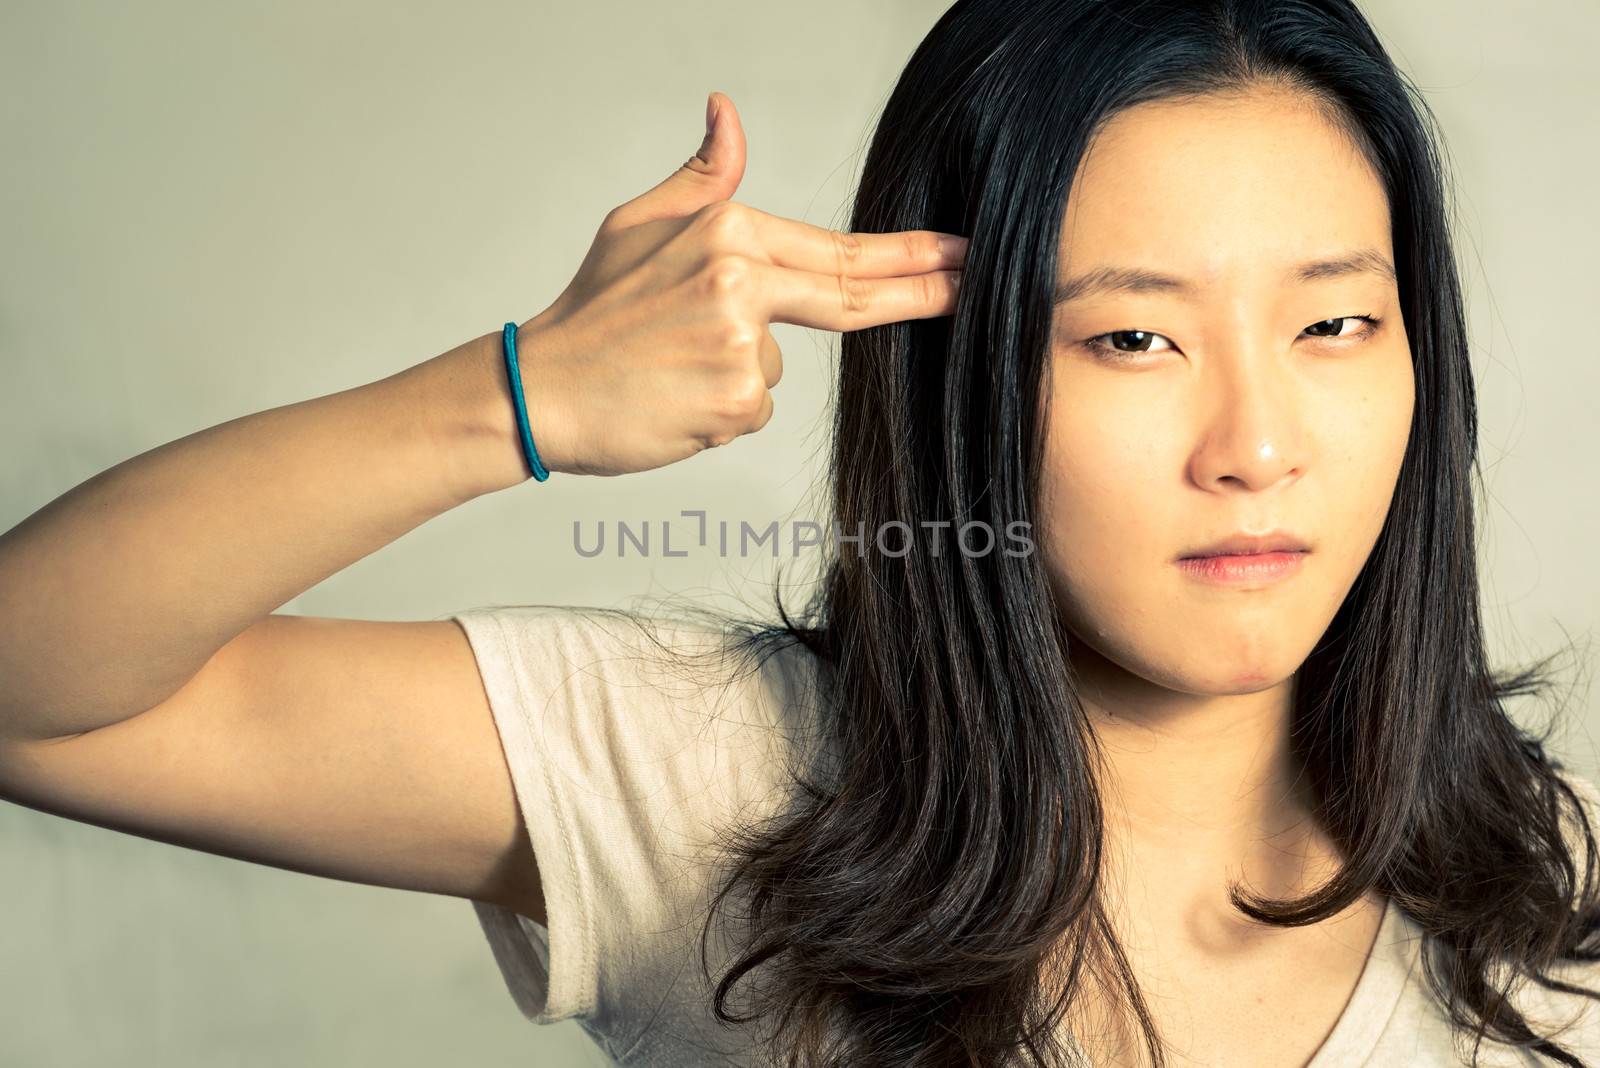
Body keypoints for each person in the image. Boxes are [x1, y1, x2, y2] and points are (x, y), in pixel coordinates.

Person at [2, 0, 1598, 1064]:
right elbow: (36, 692)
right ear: (960, 382)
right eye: (1131, 341)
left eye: (1335, 326)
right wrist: (513, 400)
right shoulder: (721, 777)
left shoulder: (1557, 900)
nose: (1256, 448)